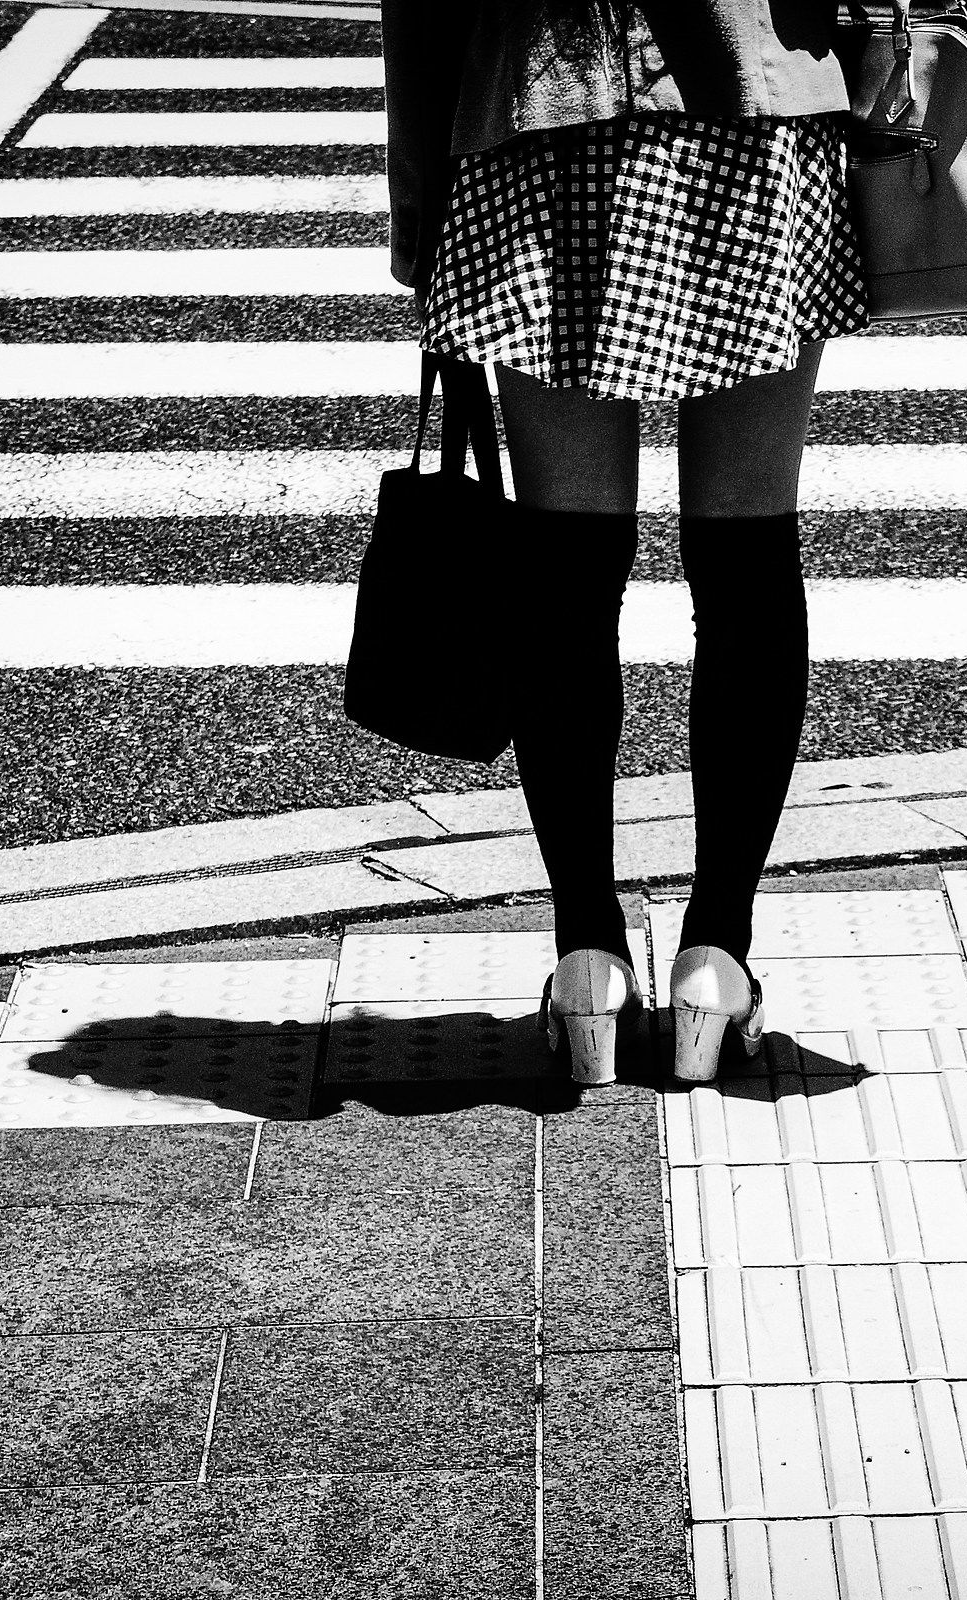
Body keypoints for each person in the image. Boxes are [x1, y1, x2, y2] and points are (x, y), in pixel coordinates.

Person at [381, 0, 864, 1087]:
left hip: (541, 113)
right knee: (746, 554)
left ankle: (588, 959)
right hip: (752, 115)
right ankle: (716, 960)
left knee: (567, 559)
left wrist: (424, 216)